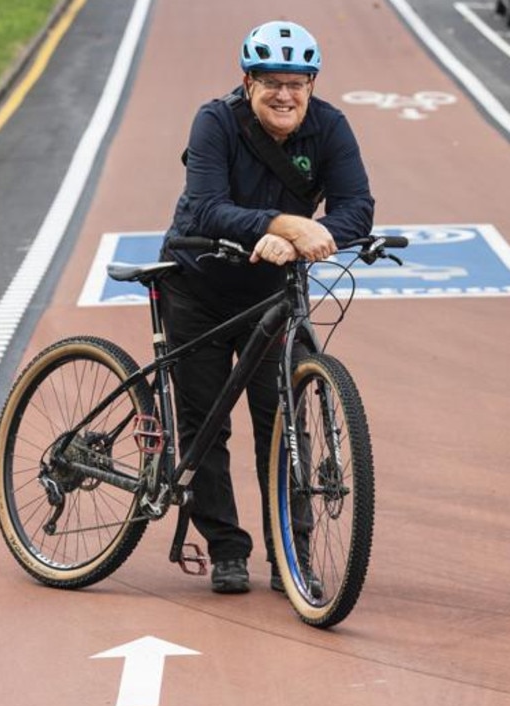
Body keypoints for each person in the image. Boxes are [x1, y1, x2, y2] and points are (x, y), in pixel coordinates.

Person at [160, 20, 374, 594]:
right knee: (205, 423)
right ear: (248, 81)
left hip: (275, 292)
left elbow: (358, 206)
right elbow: (206, 207)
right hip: (198, 282)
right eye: (272, 82)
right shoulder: (215, 122)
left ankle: (291, 551)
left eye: (297, 83)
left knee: (282, 424)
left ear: (312, 84)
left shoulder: (330, 127)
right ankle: (227, 547)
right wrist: (279, 225)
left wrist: (316, 233)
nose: (285, 95)